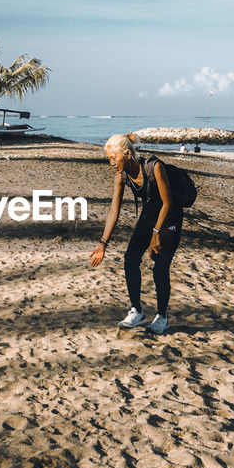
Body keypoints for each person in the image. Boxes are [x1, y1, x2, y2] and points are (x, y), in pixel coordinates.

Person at [88, 133, 187, 333]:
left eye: (114, 157)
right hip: (149, 217)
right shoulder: (121, 176)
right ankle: (137, 312)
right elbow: (113, 210)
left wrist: (156, 233)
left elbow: (168, 203)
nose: (112, 162)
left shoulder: (154, 167)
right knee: (130, 258)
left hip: (170, 219)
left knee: (160, 266)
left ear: (127, 154)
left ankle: (162, 317)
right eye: (109, 159)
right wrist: (102, 244)